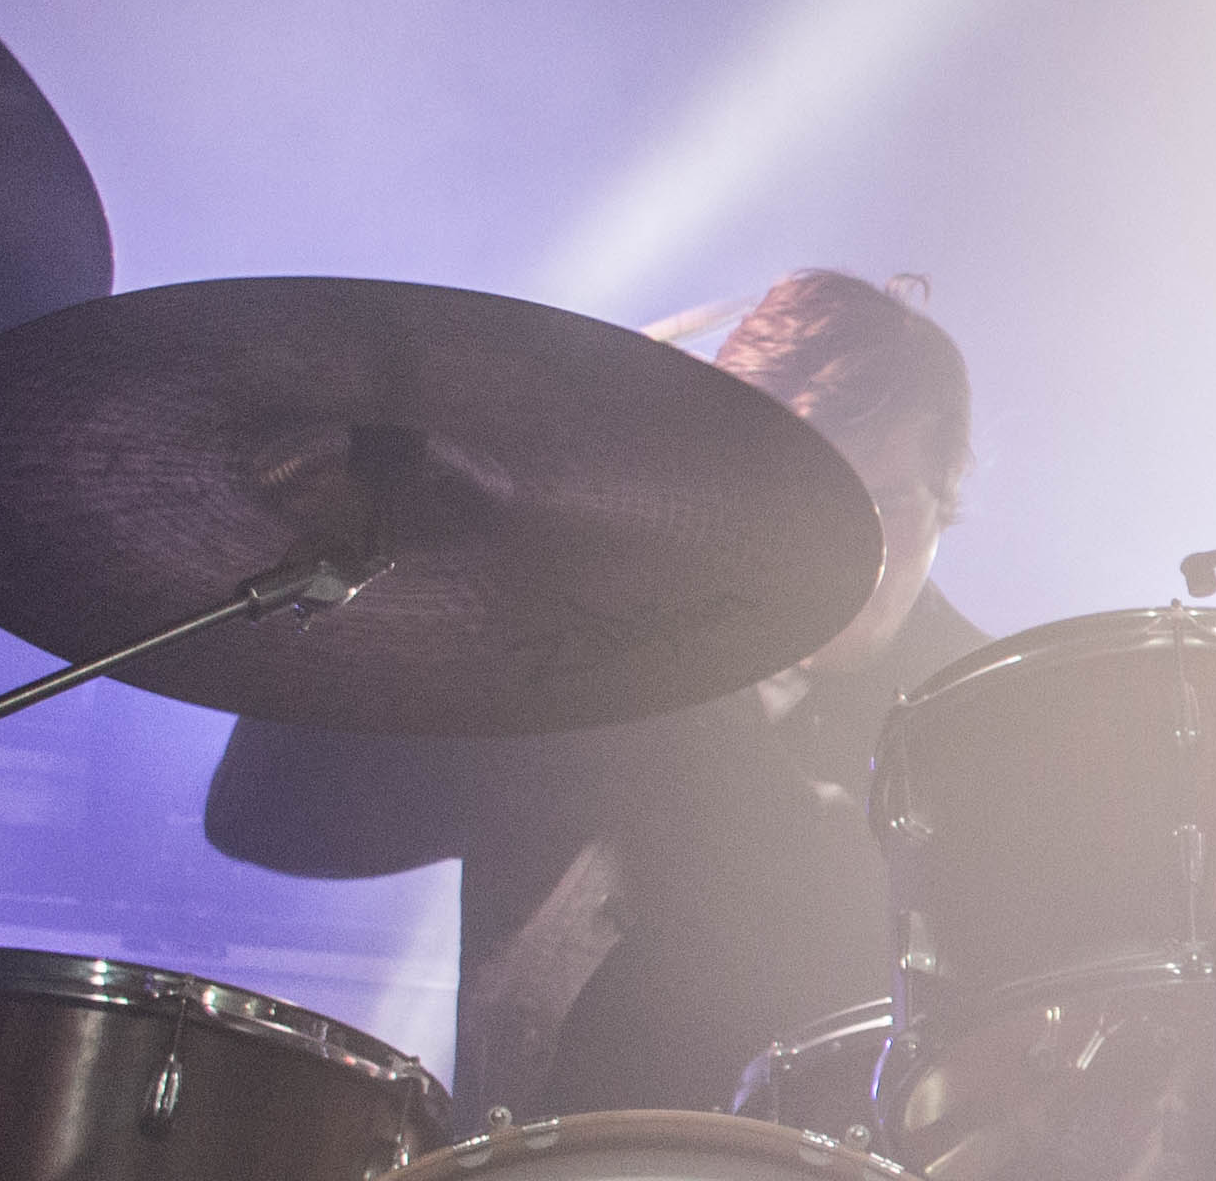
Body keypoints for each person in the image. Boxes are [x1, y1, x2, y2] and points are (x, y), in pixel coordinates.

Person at [207, 265, 983, 1122]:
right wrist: (394, 535)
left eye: (887, 502)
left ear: (947, 500)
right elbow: (270, 811)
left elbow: (847, 936)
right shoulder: (589, 659)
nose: (850, 549)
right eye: (812, 500)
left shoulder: (982, 723)